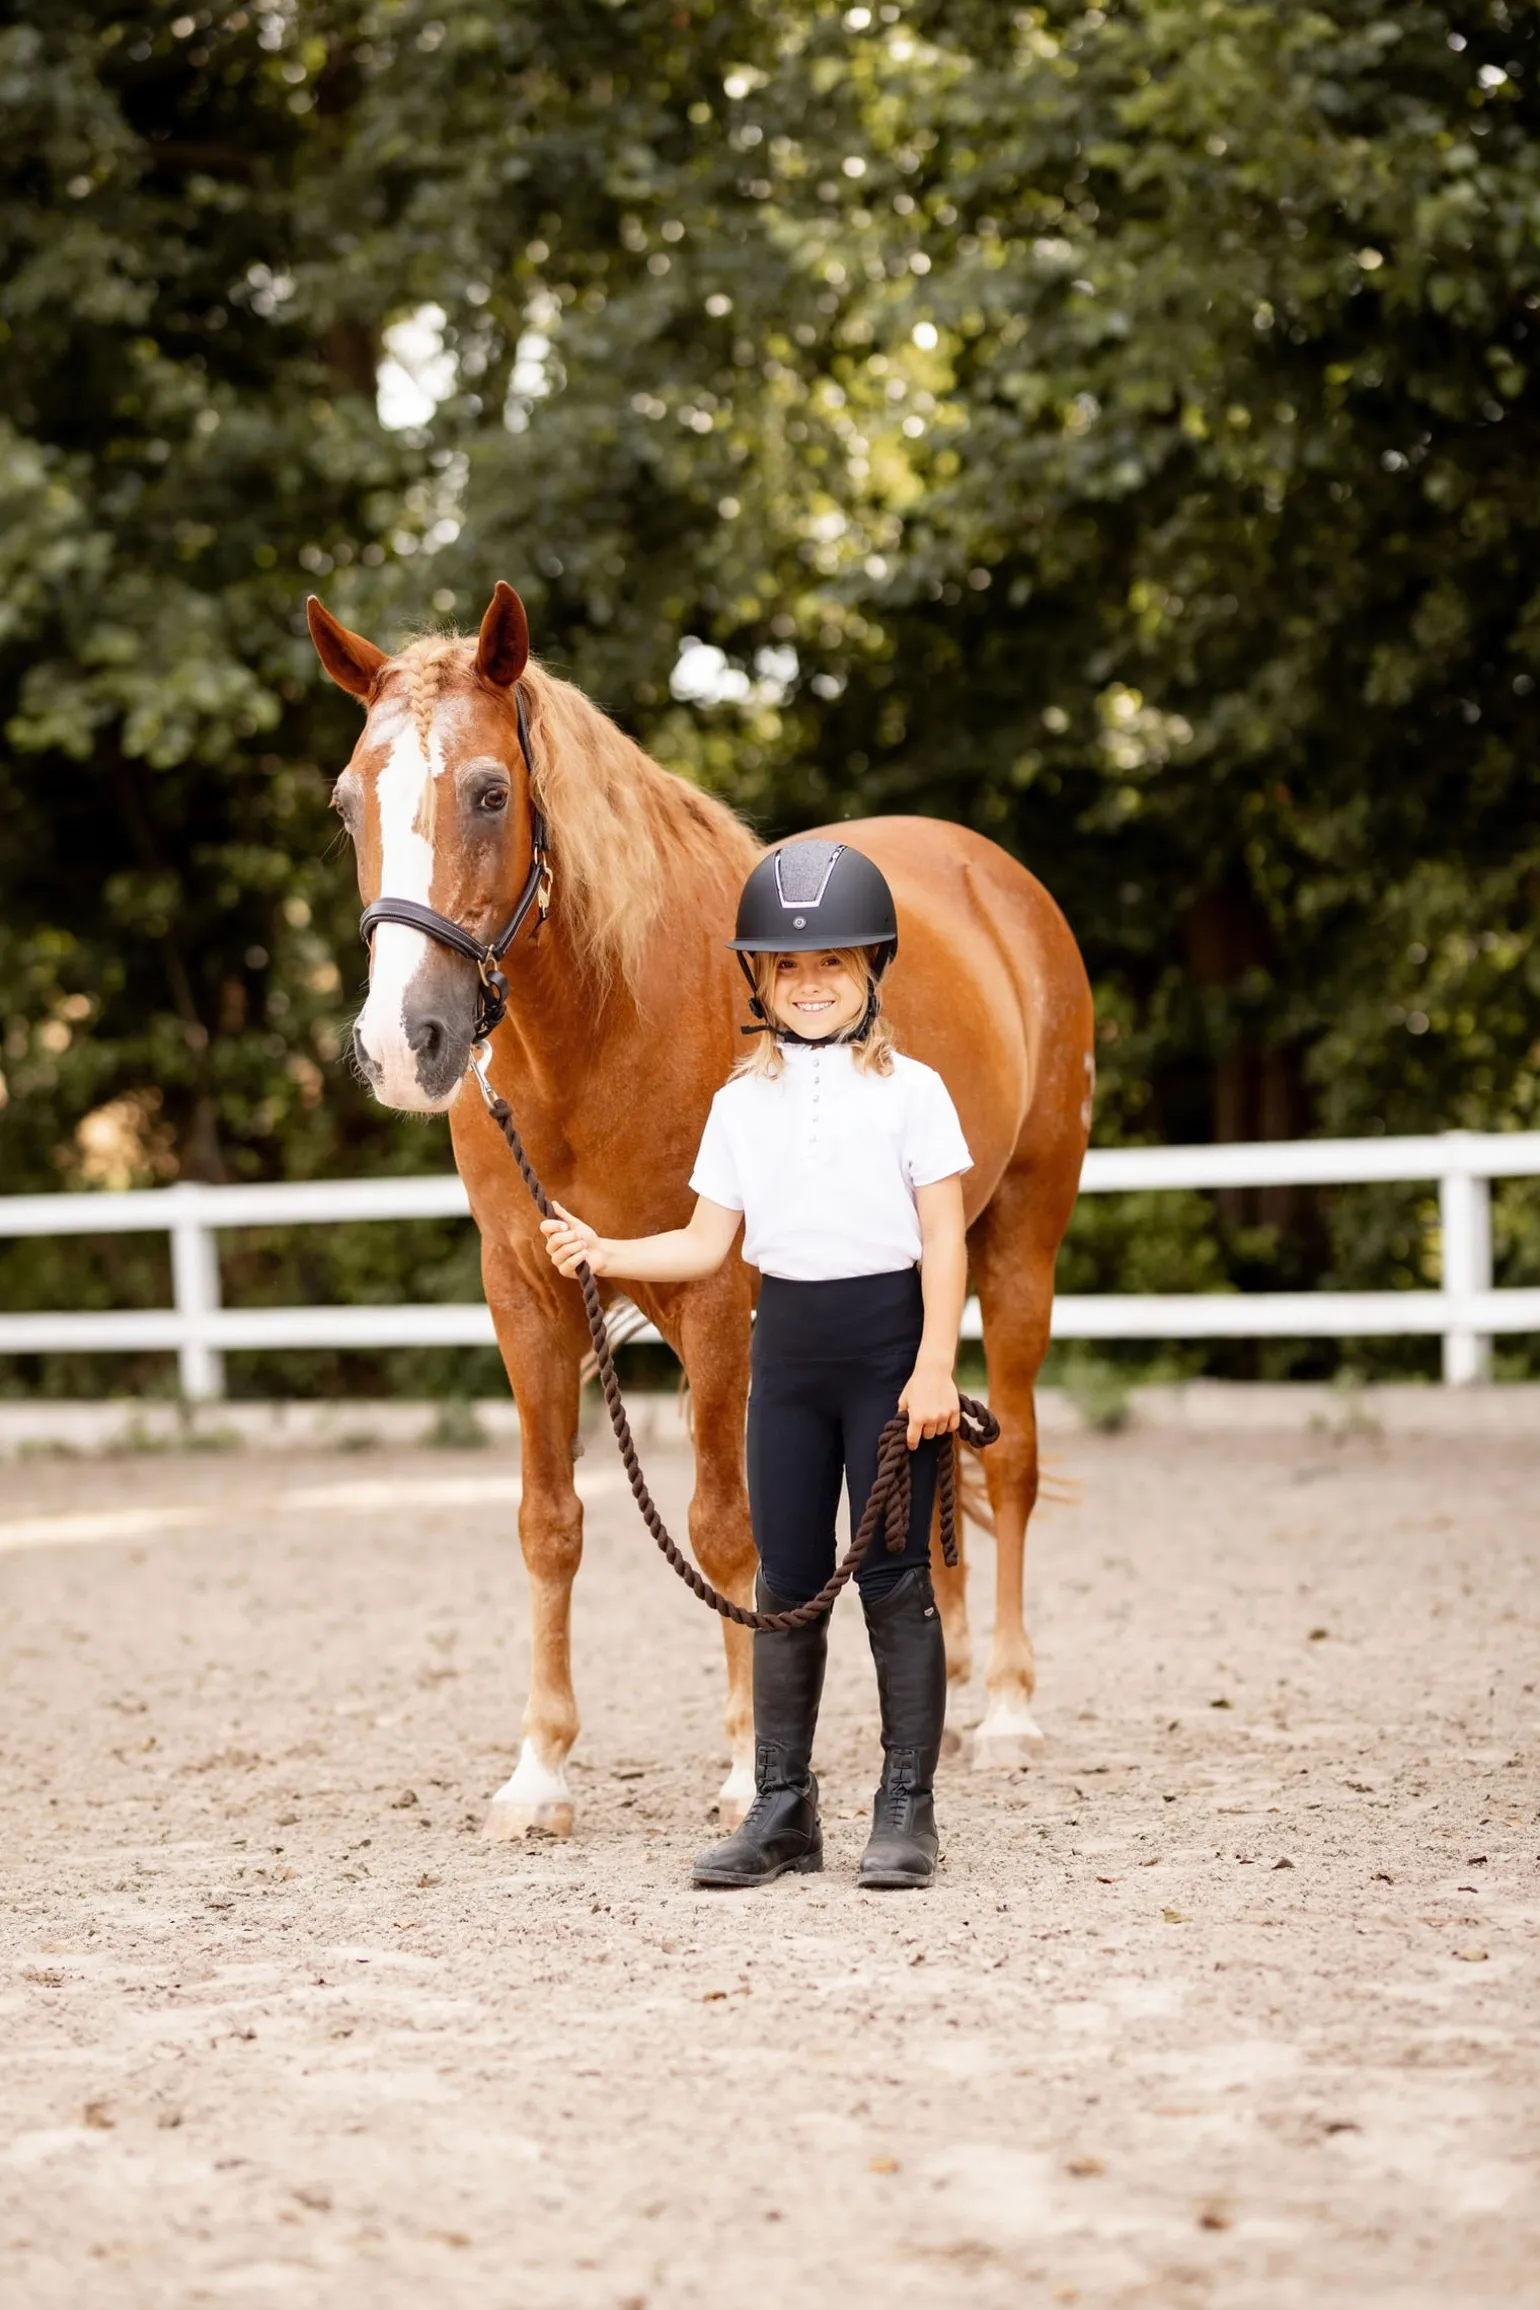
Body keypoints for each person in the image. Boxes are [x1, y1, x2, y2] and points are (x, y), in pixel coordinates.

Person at [540, 838, 972, 1890]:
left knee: (895, 1579)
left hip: (884, 1354)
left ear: (869, 968)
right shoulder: (741, 1105)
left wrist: (933, 1370)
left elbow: (946, 1240)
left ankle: (905, 1807)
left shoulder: (913, 1094)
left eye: (830, 963)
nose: (809, 983)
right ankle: (784, 1808)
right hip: (785, 1357)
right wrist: (602, 1250)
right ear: (760, 982)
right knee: (785, 1581)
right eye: (787, 967)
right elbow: (703, 1246)